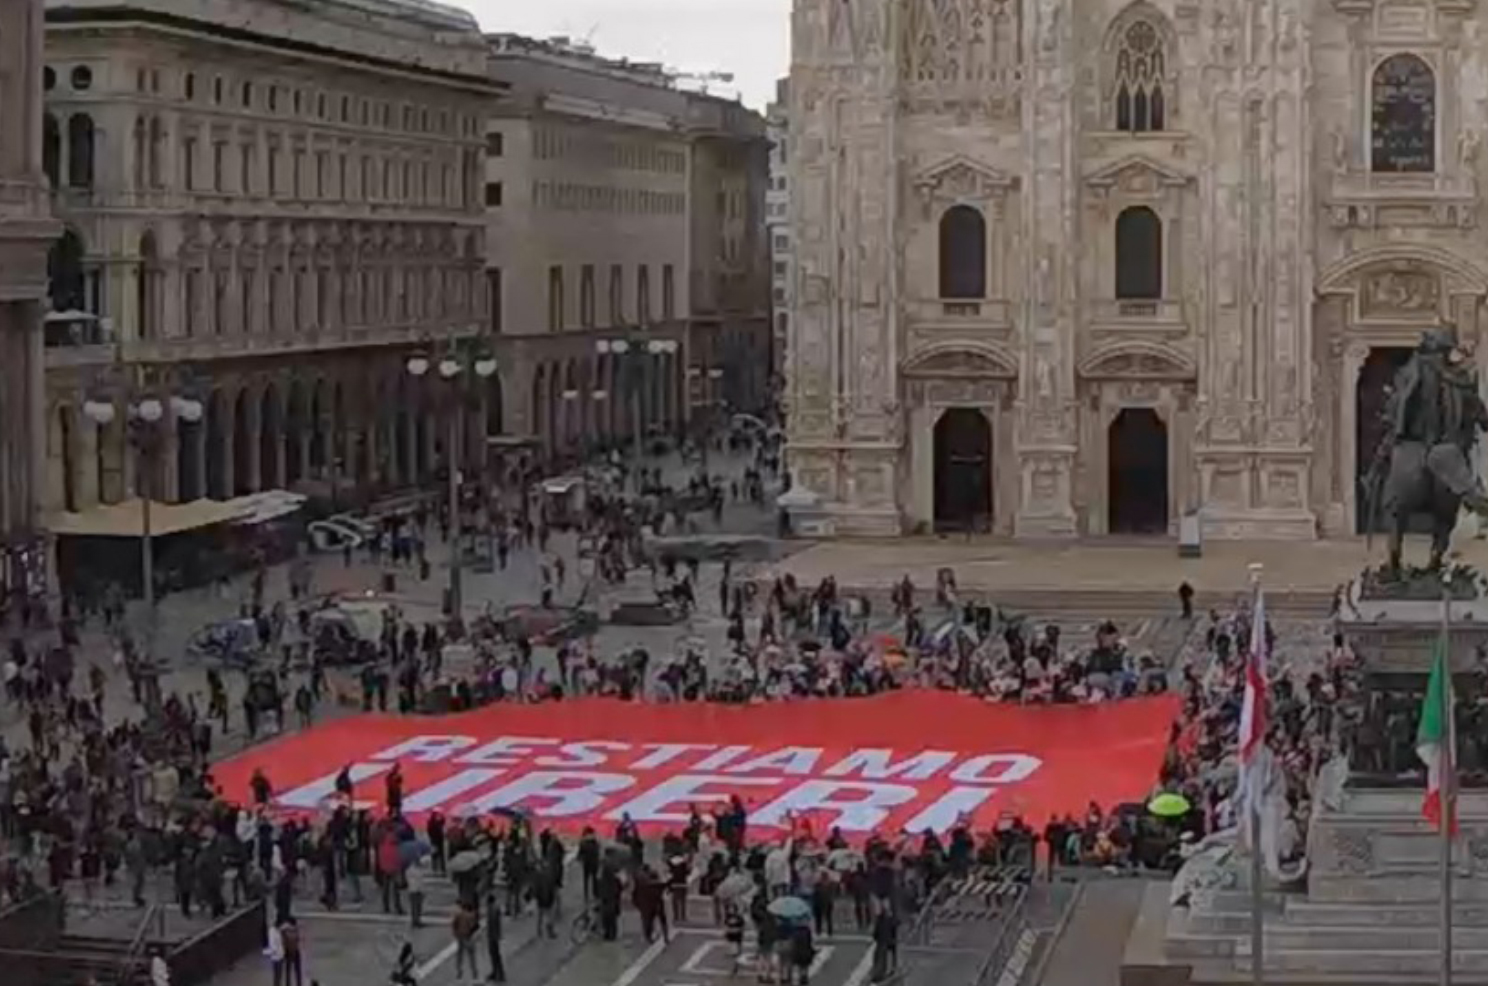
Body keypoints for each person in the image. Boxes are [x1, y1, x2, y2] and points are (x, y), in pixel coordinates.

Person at [452, 899, 481, 981]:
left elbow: (454, 924)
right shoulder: (472, 916)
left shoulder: (459, 915)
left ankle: (459, 971)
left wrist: (455, 933)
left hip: (461, 937)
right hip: (469, 937)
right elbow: (476, 927)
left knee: (460, 955)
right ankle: (474, 972)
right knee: (471, 956)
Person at [484, 893, 507, 984]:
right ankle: (497, 973)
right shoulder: (495, 908)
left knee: (495, 955)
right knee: (495, 955)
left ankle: (499, 974)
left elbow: (492, 923)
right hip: (494, 936)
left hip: (493, 936)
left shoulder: (492, 910)